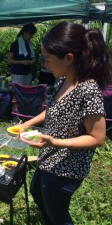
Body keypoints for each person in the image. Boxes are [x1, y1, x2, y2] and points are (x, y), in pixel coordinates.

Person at [17, 22, 111, 225]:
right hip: (49, 157)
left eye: (48, 60)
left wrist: (54, 142)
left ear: (69, 58)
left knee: (58, 215)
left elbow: (98, 138)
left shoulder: (88, 89)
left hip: (66, 168)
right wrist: (26, 124)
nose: (45, 64)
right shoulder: (63, 80)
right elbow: (53, 110)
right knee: (37, 192)